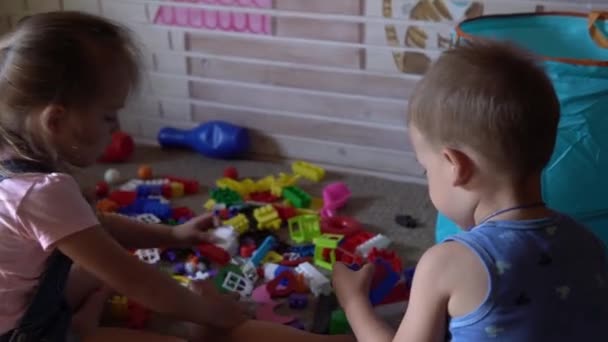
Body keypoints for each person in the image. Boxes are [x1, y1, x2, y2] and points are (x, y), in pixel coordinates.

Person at [0, 11, 353, 342]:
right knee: (145, 295)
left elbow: (96, 225)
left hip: (20, 299)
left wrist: (172, 234)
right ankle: (80, 328)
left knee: (98, 263)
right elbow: (140, 284)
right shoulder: (45, 192)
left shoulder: (17, 158)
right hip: (18, 332)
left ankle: (81, 320)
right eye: (109, 116)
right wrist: (210, 312)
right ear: (56, 120)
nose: (119, 128)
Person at [332, 40, 608, 342]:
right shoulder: (589, 245)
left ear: (455, 166)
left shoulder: (446, 264)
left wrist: (353, 302)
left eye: (427, 169)